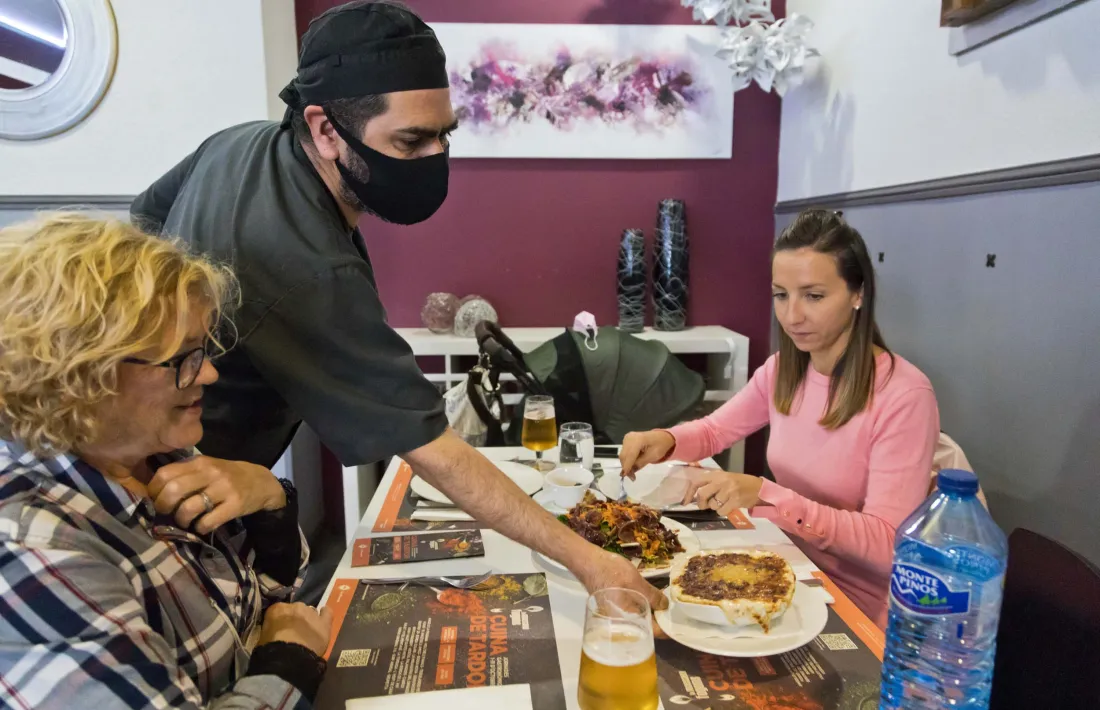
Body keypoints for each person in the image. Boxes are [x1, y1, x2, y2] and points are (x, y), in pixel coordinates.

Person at [129, 0, 660, 608]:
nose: (435, 158)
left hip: (211, 471)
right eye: (411, 141)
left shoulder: (239, 144)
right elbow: (430, 445)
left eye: (444, 135)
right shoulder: (308, 268)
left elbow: (141, 221)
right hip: (173, 484)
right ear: (326, 130)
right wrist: (591, 563)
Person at [0, 214, 331, 709]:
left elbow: (264, 601)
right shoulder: (34, 551)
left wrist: (268, 497)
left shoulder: (151, 455)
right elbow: (282, 632)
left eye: (204, 350)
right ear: (78, 375)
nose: (210, 373)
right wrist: (289, 661)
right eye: (184, 358)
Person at [619, 209, 940, 628]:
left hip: (858, 603)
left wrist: (768, 495)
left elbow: (888, 544)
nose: (792, 316)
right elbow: (716, 430)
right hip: (785, 564)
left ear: (858, 293)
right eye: (781, 295)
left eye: (814, 296)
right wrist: (665, 439)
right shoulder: (784, 368)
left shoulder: (905, 394)